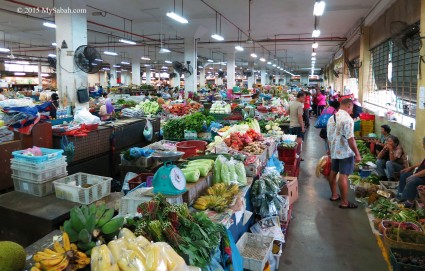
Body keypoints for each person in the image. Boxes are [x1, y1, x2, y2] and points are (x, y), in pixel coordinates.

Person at [327, 98, 361, 209]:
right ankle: (344, 202)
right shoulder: (347, 119)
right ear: (349, 105)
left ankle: (334, 195)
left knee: (333, 172)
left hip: (334, 151)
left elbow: (329, 137)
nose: (352, 110)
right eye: (352, 107)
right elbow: (350, 139)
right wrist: (357, 154)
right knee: (343, 175)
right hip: (345, 152)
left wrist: (330, 149)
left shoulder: (332, 118)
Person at [397, 137, 425, 208]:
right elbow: (421, 164)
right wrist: (411, 167)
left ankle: (409, 202)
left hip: (423, 177)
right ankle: (400, 195)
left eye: (423, 144)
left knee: (412, 180)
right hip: (420, 175)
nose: (422, 146)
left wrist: (414, 175)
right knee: (404, 175)